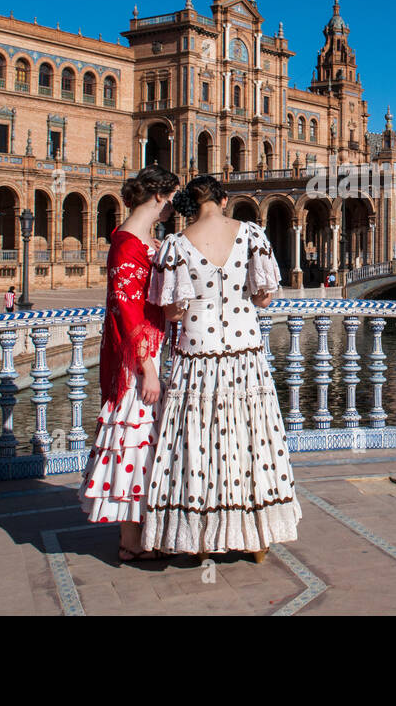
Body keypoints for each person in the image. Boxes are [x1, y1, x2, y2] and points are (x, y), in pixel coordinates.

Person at [143, 175, 299, 560]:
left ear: (192, 205)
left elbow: (173, 310)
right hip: (245, 355)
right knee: (250, 440)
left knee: (199, 442)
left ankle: (198, 539)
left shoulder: (176, 245)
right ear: (224, 200)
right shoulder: (252, 234)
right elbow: (264, 299)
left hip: (197, 354)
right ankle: (257, 538)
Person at [78, 165, 179, 562]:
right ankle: (130, 541)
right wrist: (147, 368)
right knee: (132, 439)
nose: (172, 207)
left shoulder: (147, 240)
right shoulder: (125, 243)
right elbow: (126, 309)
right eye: (170, 200)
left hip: (151, 348)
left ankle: (143, 531)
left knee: (146, 441)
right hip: (133, 358)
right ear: (158, 197)